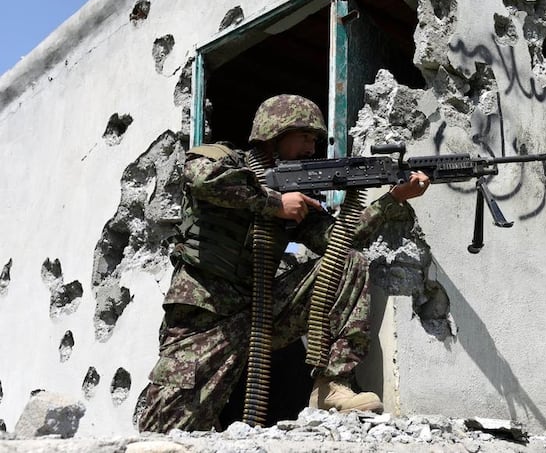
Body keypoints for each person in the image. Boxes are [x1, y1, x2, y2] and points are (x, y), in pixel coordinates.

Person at [138, 94, 429, 433]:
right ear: (272, 134)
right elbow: (202, 180)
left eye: (315, 139)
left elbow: (338, 240)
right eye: (303, 136)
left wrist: (393, 199)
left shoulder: (298, 199)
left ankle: (331, 384)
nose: (311, 146)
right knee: (165, 429)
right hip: (204, 317)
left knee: (349, 262)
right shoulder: (222, 159)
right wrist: (273, 202)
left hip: (262, 310)